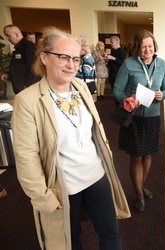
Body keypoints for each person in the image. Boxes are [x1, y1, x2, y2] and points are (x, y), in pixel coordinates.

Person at [11, 26, 130, 249]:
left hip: (96, 175)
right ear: (44, 57)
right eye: (64, 57)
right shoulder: (28, 101)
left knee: (111, 234)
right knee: (69, 241)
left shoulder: (80, 86)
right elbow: (26, 156)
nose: (71, 65)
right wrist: (42, 197)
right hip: (63, 186)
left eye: (76, 58)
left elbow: (94, 130)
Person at [113, 30, 165, 212]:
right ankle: (139, 194)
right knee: (136, 156)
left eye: (150, 46)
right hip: (134, 118)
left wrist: (163, 95)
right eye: (144, 47)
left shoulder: (162, 65)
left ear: (155, 47)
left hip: (153, 117)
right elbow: (117, 88)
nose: (147, 50)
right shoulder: (129, 65)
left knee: (148, 155)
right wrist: (127, 101)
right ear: (137, 48)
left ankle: (140, 184)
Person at [0, 24, 40, 94]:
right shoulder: (19, 48)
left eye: (8, 35)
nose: (6, 38)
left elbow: (33, 68)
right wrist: (9, 75)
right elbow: (20, 67)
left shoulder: (29, 46)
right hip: (21, 89)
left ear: (16, 35)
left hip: (27, 89)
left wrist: (28, 85)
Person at [106, 36, 126, 105]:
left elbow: (123, 63)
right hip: (112, 73)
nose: (110, 43)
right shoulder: (113, 51)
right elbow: (112, 62)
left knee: (117, 92)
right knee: (114, 92)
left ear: (117, 42)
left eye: (112, 42)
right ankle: (117, 107)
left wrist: (113, 58)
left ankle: (120, 107)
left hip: (118, 74)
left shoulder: (122, 51)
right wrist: (108, 60)